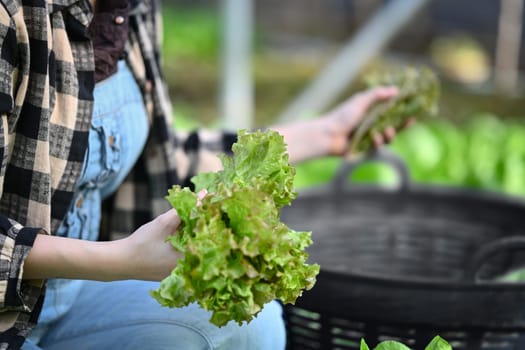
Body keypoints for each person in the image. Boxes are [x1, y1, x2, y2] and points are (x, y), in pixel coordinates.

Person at [0, 0, 405, 349]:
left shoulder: (128, 11)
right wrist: (121, 259)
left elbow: (161, 160)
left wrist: (325, 134)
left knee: (248, 329)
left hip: (68, 302)